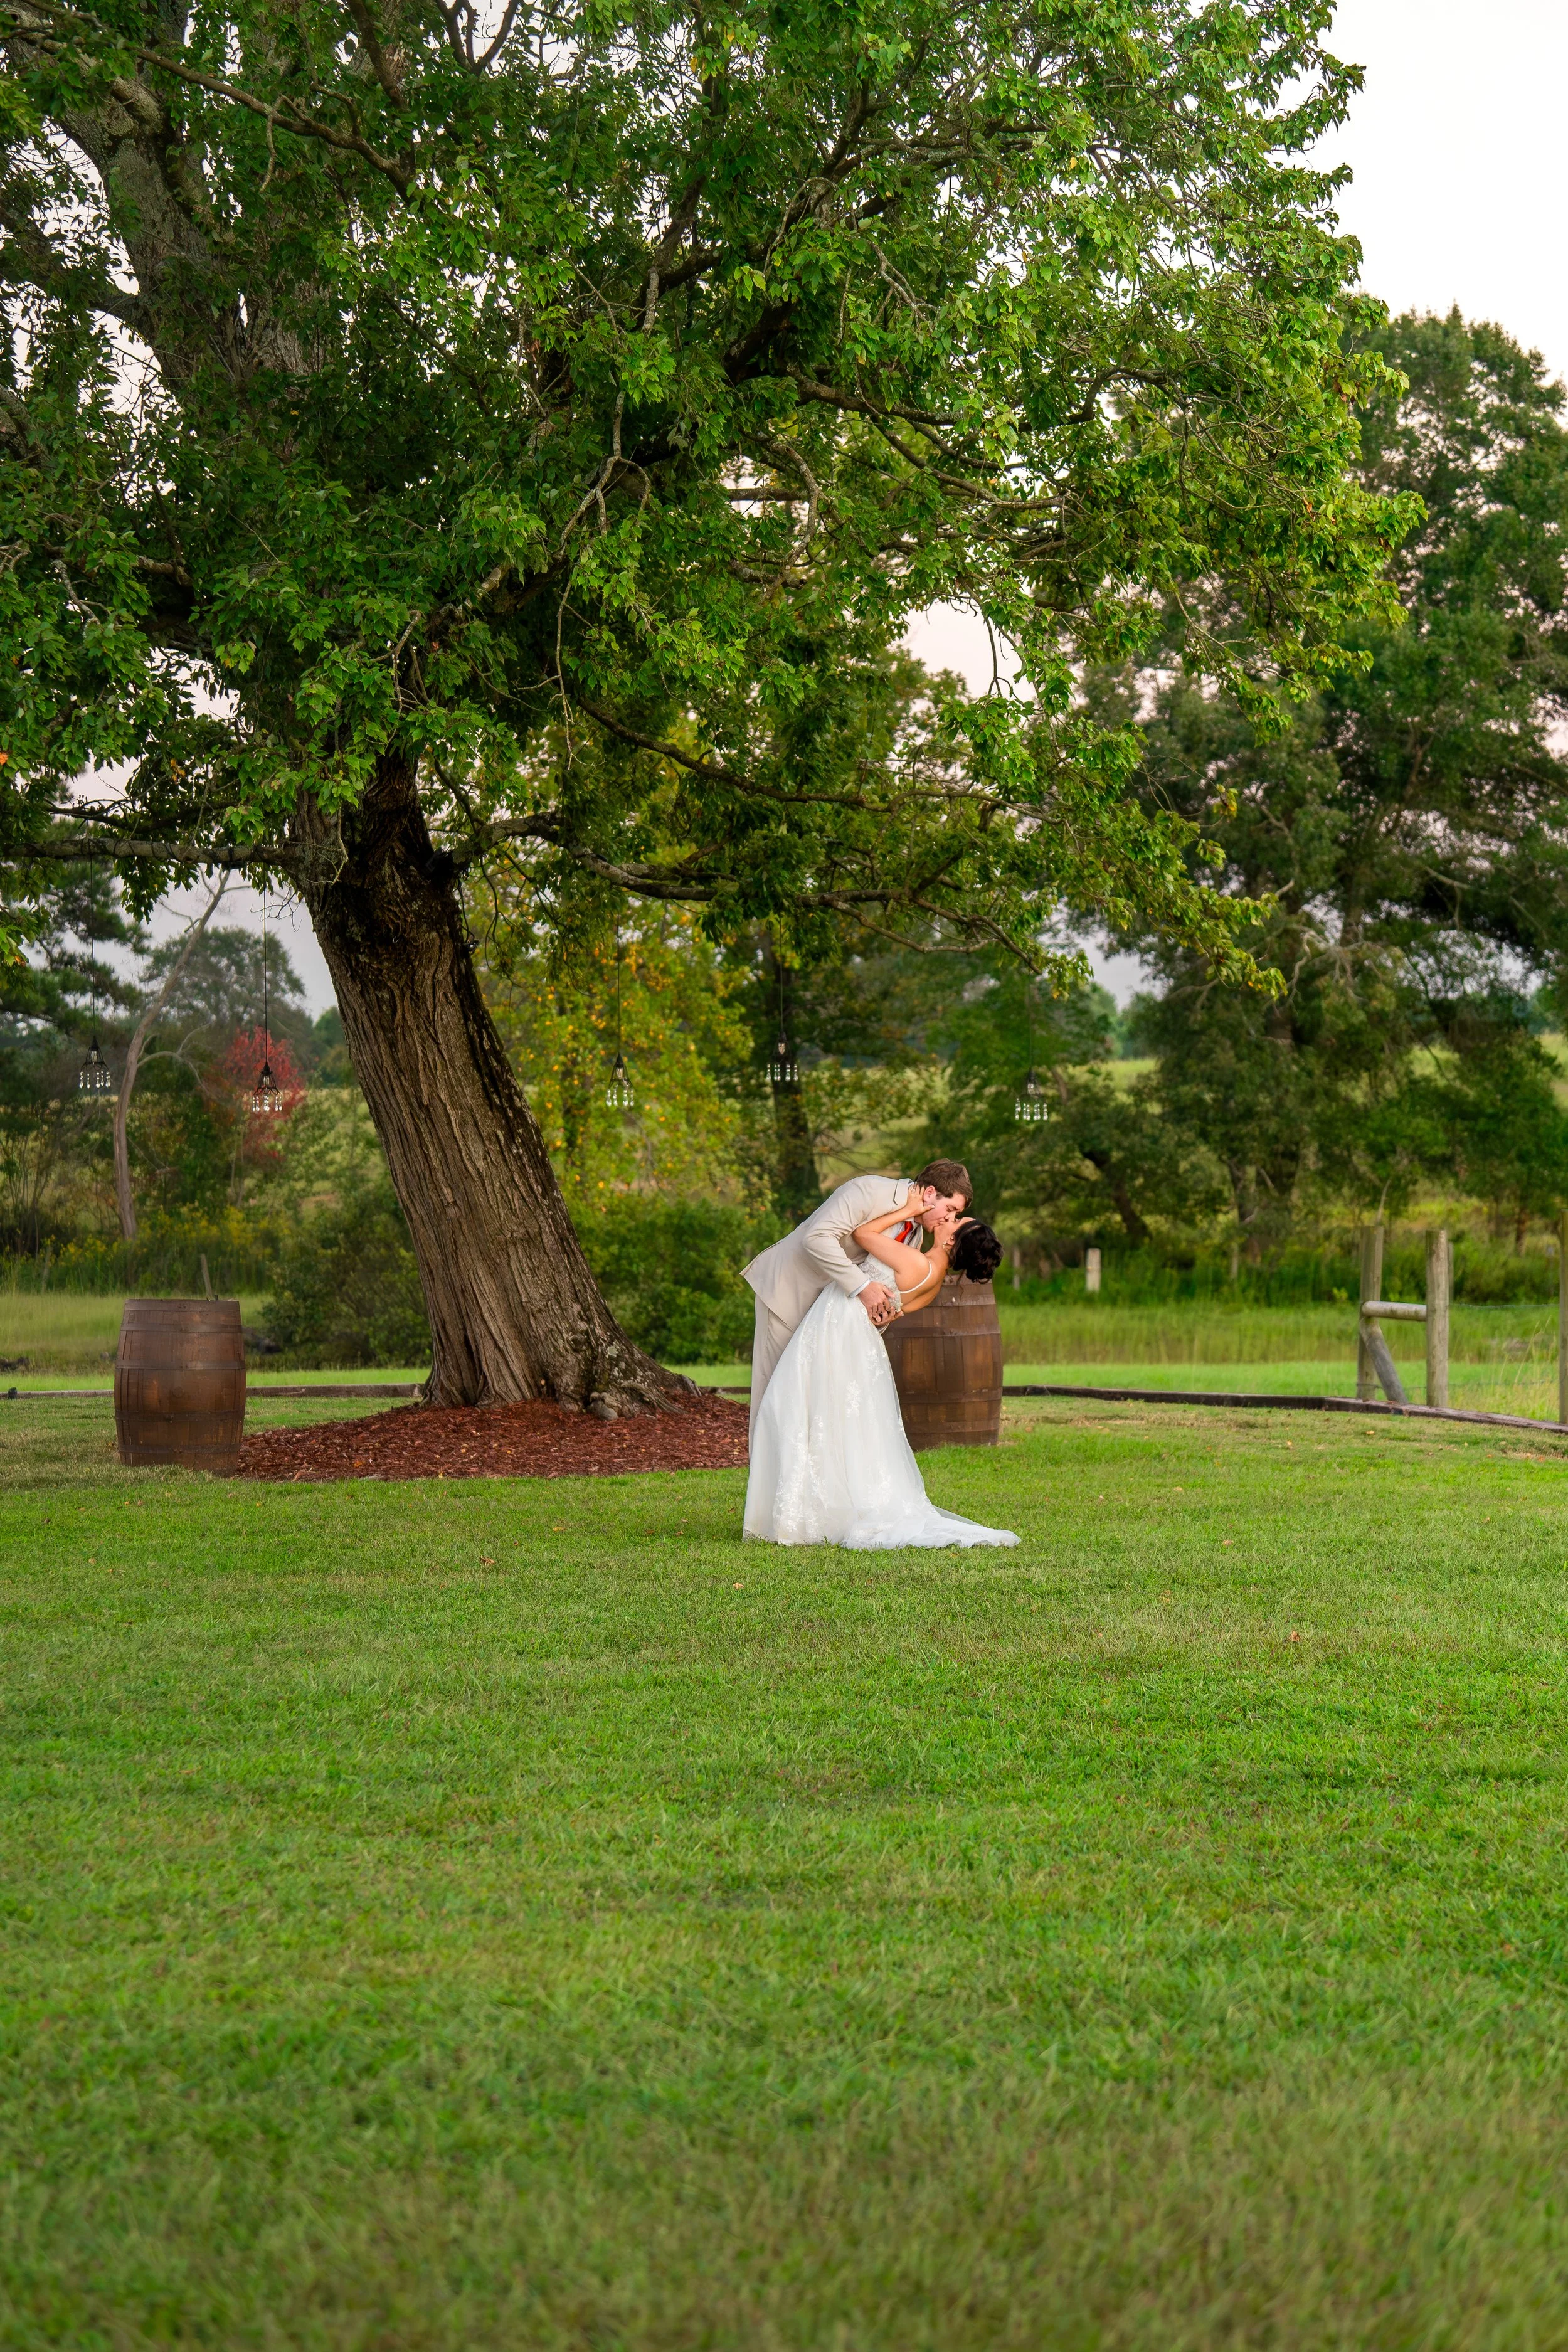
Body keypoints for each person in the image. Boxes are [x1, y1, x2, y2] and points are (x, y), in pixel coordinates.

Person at [744, 1201, 1019, 1550]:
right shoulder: (933, 1281)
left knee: (798, 1406)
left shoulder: (915, 1261)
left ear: (952, 1240)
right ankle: (815, 1505)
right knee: (830, 1416)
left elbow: (863, 1234)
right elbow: (892, 1314)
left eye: (957, 1219)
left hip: (839, 1326)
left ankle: (809, 1509)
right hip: (855, 1336)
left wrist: (908, 1209)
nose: (950, 1217)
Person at [739, 1160, 973, 1443]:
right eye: (951, 1209)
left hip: (827, 1318)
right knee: (774, 1397)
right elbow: (817, 1238)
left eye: (956, 1215)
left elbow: (884, 1288)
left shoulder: (916, 1236)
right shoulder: (869, 1191)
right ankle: (763, 1472)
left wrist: (882, 1315)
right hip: (789, 1293)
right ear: (931, 1193)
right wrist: (862, 1287)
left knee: (810, 1405)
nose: (949, 1219)